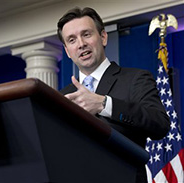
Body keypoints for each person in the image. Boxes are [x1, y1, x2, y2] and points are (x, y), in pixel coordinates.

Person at [57, 7, 170, 183]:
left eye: (86, 34)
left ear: (103, 37)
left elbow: (160, 124)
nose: (81, 44)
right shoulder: (62, 97)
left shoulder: (136, 79)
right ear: (67, 51)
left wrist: (104, 104)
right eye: (72, 40)